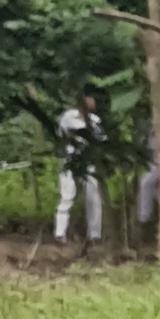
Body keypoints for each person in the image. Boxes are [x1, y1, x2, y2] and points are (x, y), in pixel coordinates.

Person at [52, 87, 107, 247]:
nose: (92, 102)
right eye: (89, 99)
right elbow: (62, 134)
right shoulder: (68, 117)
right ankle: (59, 233)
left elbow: (102, 140)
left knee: (93, 198)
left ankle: (94, 234)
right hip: (71, 159)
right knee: (67, 195)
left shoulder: (96, 121)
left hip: (89, 161)